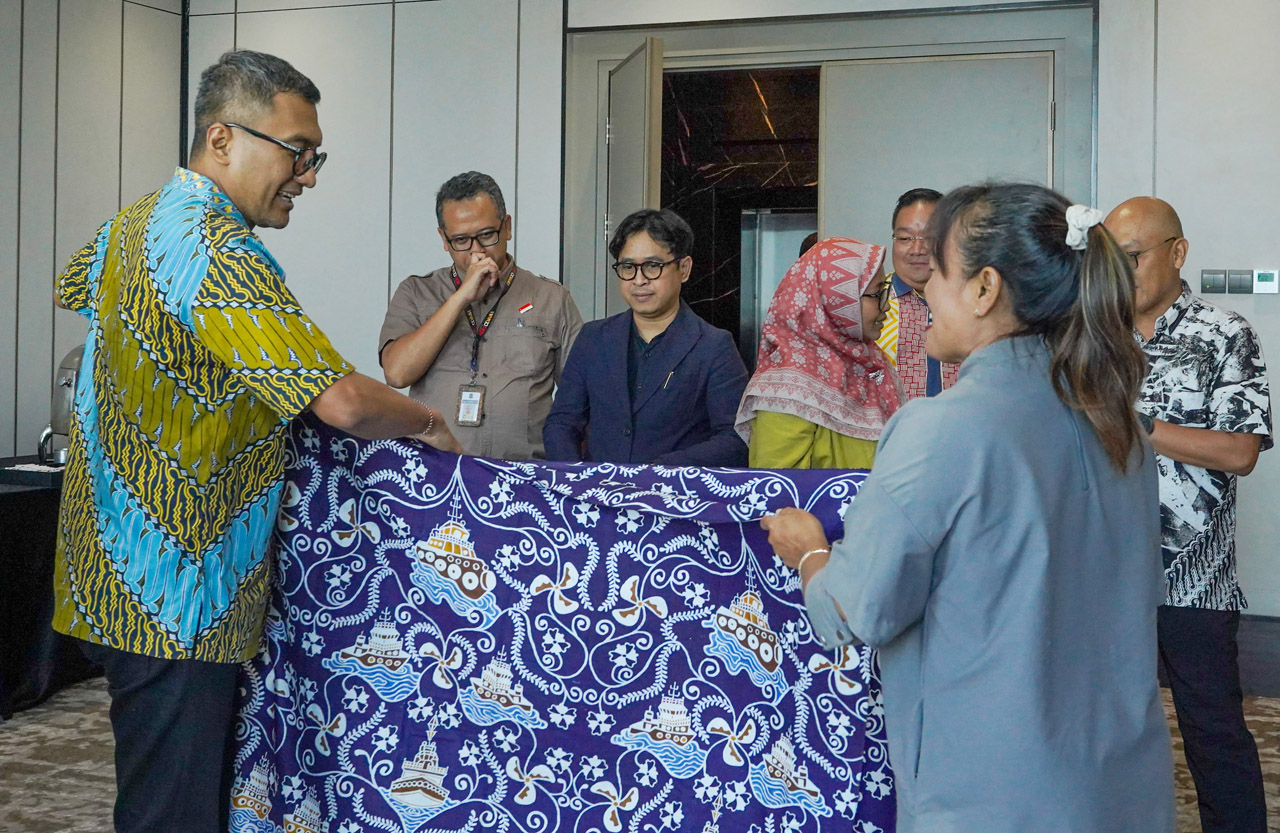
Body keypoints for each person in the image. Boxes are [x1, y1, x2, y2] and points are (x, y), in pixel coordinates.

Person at [51, 50, 460, 833]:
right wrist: (429, 422)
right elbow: (342, 400)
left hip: (112, 569)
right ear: (222, 139)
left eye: (315, 157)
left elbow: (75, 285)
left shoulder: (133, 224)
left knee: (158, 792)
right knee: (172, 812)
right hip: (179, 592)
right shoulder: (217, 250)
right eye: (297, 152)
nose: (308, 176)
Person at [761, 184, 1176, 830]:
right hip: (1125, 785)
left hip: (994, 794)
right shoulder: (1120, 428)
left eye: (938, 271)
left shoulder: (940, 430)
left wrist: (811, 551)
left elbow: (855, 610)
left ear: (985, 289)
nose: (923, 290)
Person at [1105, 197, 1271, 833]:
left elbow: (1240, 451)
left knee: (1213, 729)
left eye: (1132, 257)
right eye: (1109, 259)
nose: (1120, 273)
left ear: (1177, 253)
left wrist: (1141, 426)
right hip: (1104, 574)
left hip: (1194, 583)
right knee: (1109, 728)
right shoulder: (1094, 336)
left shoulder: (1225, 334)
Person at [379, 171, 583, 460]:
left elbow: (580, 400)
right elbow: (397, 373)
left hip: (522, 474)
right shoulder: (416, 292)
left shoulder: (552, 298)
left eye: (487, 235)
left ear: (507, 227)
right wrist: (460, 297)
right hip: (437, 472)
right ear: (444, 239)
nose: (476, 251)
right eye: (461, 240)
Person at [543, 208, 749, 465]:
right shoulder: (593, 339)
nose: (639, 280)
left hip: (673, 488)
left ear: (684, 269)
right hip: (598, 488)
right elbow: (561, 423)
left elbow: (735, 440)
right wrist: (576, 478)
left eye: (652, 266)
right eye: (628, 267)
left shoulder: (714, 347)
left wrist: (659, 471)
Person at [736, 237, 902, 469]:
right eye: (876, 295)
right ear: (837, 301)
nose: (886, 306)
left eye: (885, 292)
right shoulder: (787, 387)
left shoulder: (872, 363)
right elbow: (779, 485)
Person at [876, 187, 960, 399]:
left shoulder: (974, 300)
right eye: (905, 238)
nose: (917, 249)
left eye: (929, 238)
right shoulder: (871, 303)